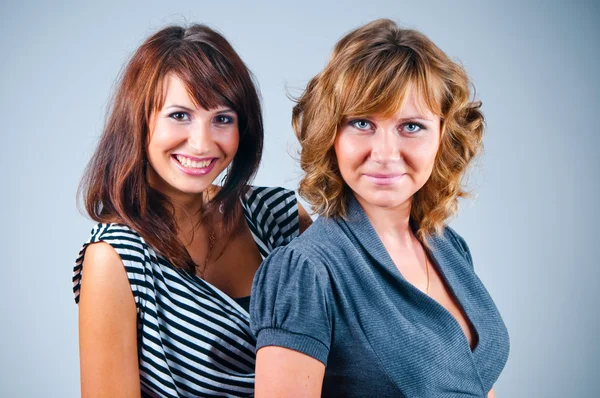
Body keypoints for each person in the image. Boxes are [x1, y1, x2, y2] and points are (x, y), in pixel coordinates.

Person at [251, 19, 509, 397]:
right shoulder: (306, 271)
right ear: (330, 135)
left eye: (411, 127)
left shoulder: (448, 247)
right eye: (361, 123)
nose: (385, 154)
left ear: (443, 136)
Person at [74, 24, 310, 397]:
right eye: (180, 115)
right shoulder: (115, 259)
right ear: (140, 120)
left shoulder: (277, 217)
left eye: (222, 118)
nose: (201, 144)